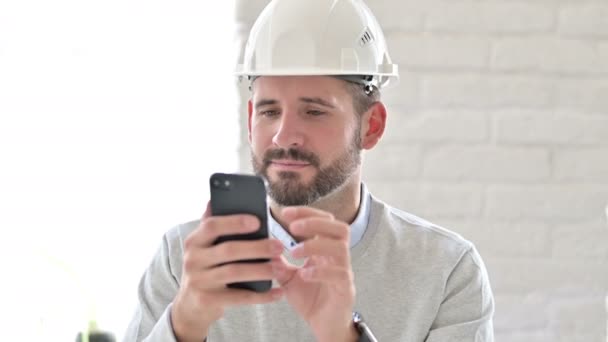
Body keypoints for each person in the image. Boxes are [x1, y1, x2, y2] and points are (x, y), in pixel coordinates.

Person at [124, 0, 495, 341]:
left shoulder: (446, 269)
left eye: (314, 111)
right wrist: (185, 324)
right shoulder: (185, 259)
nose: (284, 135)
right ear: (252, 119)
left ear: (372, 126)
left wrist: (344, 336)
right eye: (270, 111)